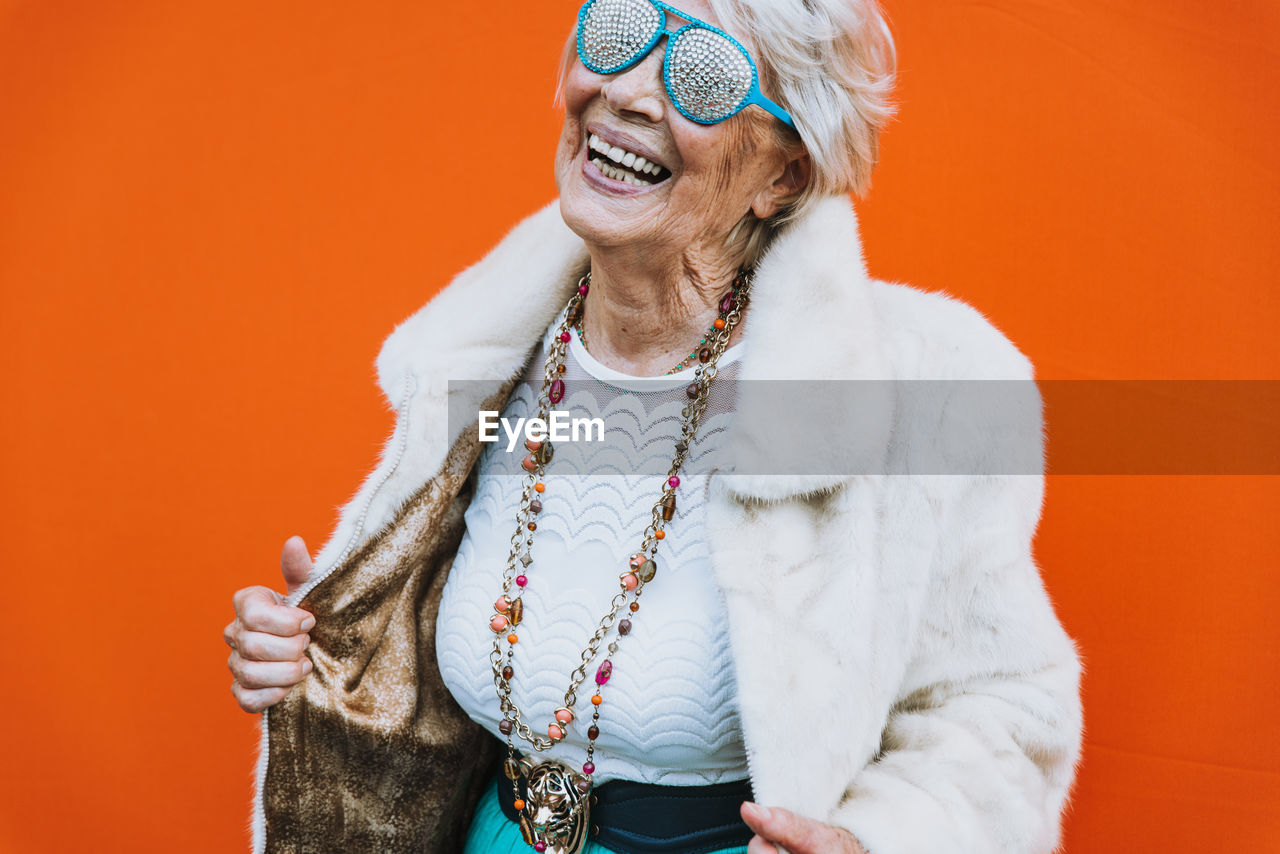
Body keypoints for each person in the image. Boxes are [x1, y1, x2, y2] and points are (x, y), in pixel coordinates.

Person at [224, 1, 1083, 852]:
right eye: (618, 33)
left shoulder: (926, 390)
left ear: (781, 176)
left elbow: (1004, 712)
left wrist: (871, 843)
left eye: (703, 72)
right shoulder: (492, 358)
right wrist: (336, 654)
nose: (627, 92)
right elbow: (460, 682)